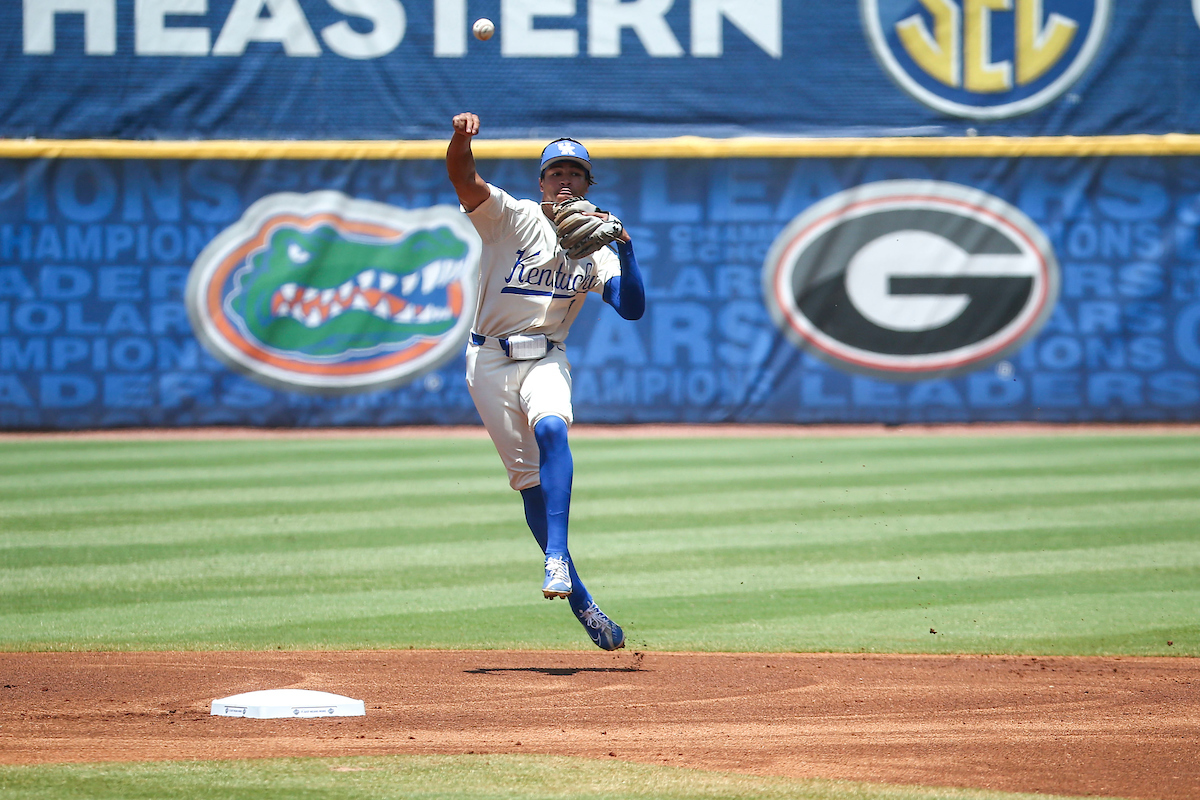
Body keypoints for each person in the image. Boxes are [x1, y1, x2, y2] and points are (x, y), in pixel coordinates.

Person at [446, 112, 645, 651]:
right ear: (541, 183)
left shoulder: (597, 244)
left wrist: (625, 248)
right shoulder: (511, 217)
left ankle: (555, 557)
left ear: (588, 184)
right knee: (528, 481)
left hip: (547, 356)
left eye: (575, 173)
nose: (564, 179)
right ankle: (581, 599)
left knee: (553, 428)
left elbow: (630, 308)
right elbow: (464, 179)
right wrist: (461, 141)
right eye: (555, 171)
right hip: (487, 360)